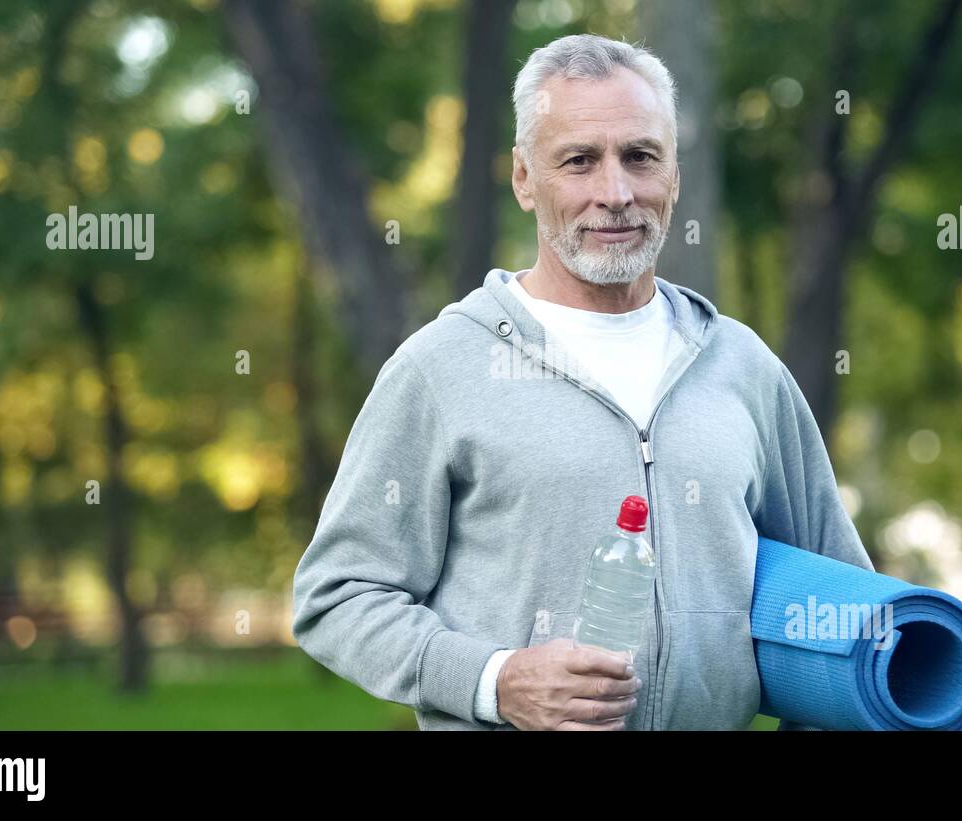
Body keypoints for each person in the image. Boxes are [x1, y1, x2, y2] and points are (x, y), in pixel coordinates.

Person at [292, 33, 873, 731]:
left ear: (675, 174)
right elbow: (337, 596)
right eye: (579, 161)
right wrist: (494, 680)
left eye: (640, 157)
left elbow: (841, 607)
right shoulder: (439, 368)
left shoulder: (743, 366)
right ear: (523, 178)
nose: (616, 192)